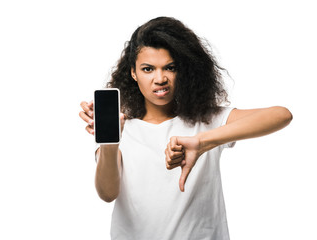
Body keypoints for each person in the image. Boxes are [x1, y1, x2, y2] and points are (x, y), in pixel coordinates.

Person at [79, 17, 292, 240]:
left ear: (184, 70)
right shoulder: (124, 131)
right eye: (148, 69)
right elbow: (107, 193)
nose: (160, 78)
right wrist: (111, 142)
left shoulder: (206, 120)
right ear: (133, 73)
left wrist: (203, 142)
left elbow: (281, 115)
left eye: (170, 68)